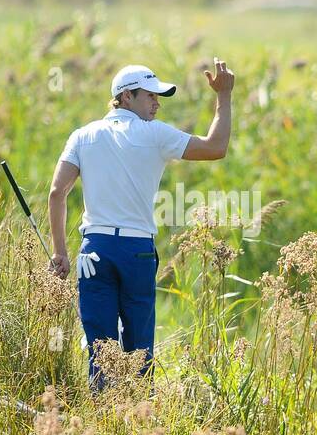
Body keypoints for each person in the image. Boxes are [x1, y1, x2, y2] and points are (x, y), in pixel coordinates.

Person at [49, 59, 236, 389]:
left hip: (94, 252)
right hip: (137, 252)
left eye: (158, 97)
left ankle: (103, 422)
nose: (156, 103)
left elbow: (56, 193)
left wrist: (60, 253)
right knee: (140, 351)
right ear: (125, 97)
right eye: (150, 95)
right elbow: (216, 147)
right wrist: (224, 96)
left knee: (100, 349)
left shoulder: (82, 136)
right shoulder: (155, 134)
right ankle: (138, 424)